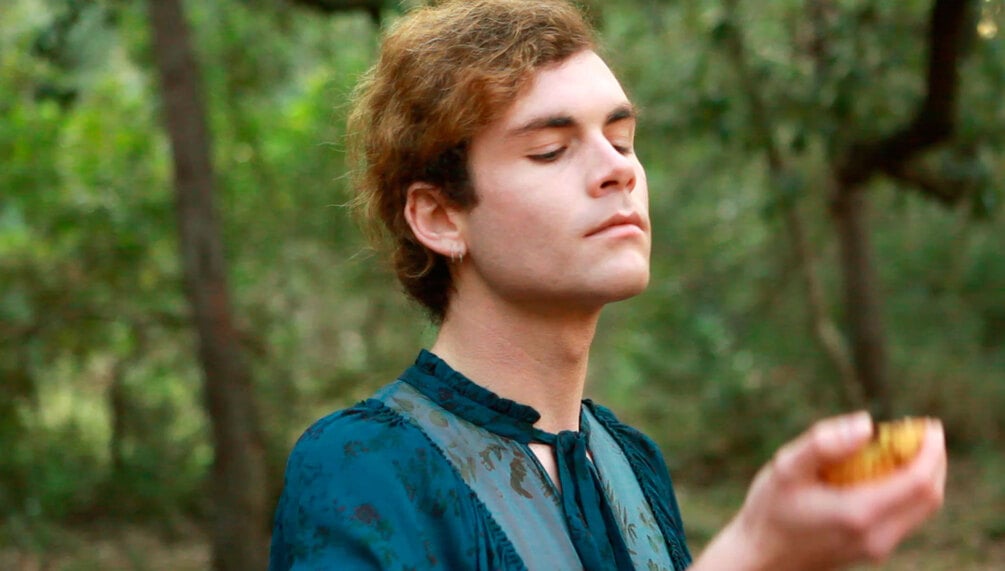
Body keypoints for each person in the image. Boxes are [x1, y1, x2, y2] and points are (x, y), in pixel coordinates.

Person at [268, 1, 947, 569]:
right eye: (550, 150)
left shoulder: (630, 461)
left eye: (622, 140)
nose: (617, 170)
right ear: (440, 217)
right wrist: (753, 553)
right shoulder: (360, 468)